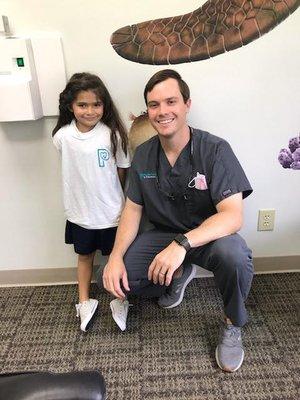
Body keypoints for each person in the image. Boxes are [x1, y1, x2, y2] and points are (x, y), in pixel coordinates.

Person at [103, 69, 254, 372]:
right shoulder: (144, 155)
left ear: (187, 104)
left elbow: (232, 216)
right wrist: (116, 257)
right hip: (163, 236)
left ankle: (233, 323)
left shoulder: (215, 150)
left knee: (235, 256)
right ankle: (179, 274)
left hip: (208, 237)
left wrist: (182, 245)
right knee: (112, 280)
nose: (162, 111)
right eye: (154, 105)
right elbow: (132, 211)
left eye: (170, 101)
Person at [52, 72, 130, 332]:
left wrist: (112, 198)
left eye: (96, 104)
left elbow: (121, 171)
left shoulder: (113, 135)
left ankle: (120, 299)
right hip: (80, 214)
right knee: (84, 257)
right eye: (82, 105)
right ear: (70, 106)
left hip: (111, 213)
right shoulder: (62, 136)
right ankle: (84, 300)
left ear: (104, 105)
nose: (90, 110)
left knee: (116, 258)